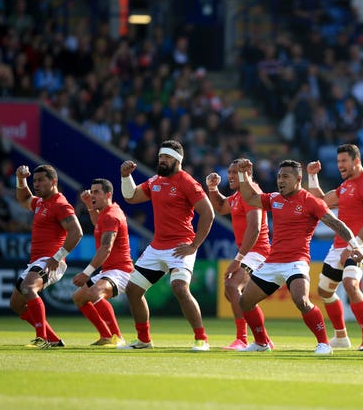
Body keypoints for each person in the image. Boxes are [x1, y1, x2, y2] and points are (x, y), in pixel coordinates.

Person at [235, 158, 363, 354]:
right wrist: (242, 175)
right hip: (272, 262)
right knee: (245, 301)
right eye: (279, 176)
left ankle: (324, 344)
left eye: (285, 177)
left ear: (298, 179)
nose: (280, 180)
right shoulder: (274, 199)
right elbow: (251, 198)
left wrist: (355, 245)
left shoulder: (310, 201)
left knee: (301, 300)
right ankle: (261, 343)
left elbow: (336, 223)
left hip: (296, 262)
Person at [118, 140, 215, 351]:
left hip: (181, 247)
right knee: (133, 290)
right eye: (161, 156)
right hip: (157, 247)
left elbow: (208, 213)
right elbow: (131, 197)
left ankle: (202, 339)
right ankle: (144, 340)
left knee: (180, 288)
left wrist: (194, 245)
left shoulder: (188, 182)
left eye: (167, 157)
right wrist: (126, 177)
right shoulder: (155, 181)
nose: (162, 160)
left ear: (178, 160)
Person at [306, 144, 363, 350]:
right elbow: (320, 202)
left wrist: (353, 245)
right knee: (324, 291)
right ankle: (341, 337)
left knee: (350, 283)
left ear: (356, 161)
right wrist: (312, 177)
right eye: (338, 161)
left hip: (359, 245)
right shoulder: (346, 186)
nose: (340, 165)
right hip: (338, 246)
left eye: (344, 161)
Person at [9, 164, 83, 348]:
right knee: (16, 304)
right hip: (37, 261)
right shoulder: (41, 202)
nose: (37, 184)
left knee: (28, 288)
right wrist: (21, 179)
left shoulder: (60, 204)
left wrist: (57, 257)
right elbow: (24, 198)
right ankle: (54, 340)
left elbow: (77, 232)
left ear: (54, 182)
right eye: (35, 180)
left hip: (50, 261)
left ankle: (41, 339)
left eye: (41, 180)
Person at [206, 159, 272, 350]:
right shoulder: (238, 196)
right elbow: (220, 207)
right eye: (230, 172)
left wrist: (238, 260)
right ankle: (264, 338)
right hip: (250, 251)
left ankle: (242, 339)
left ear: (248, 172)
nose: (231, 176)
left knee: (232, 286)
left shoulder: (252, 193)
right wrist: (212, 188)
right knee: (235, 295)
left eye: (236, 172)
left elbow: (255, 229)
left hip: (258, 251)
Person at [72, 178, 134, 347]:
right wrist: (89, 206)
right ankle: (106, 336)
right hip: (110, 269)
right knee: (79, 298)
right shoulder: (107, 213)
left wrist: (86, 273)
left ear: (108, 194)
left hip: (121, 271)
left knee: (94, 293)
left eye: (96, 192)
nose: (92, 195)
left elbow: (106, 248)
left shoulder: (111, 216)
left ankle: (117, 336)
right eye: (91, 191)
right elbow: (97, 223)